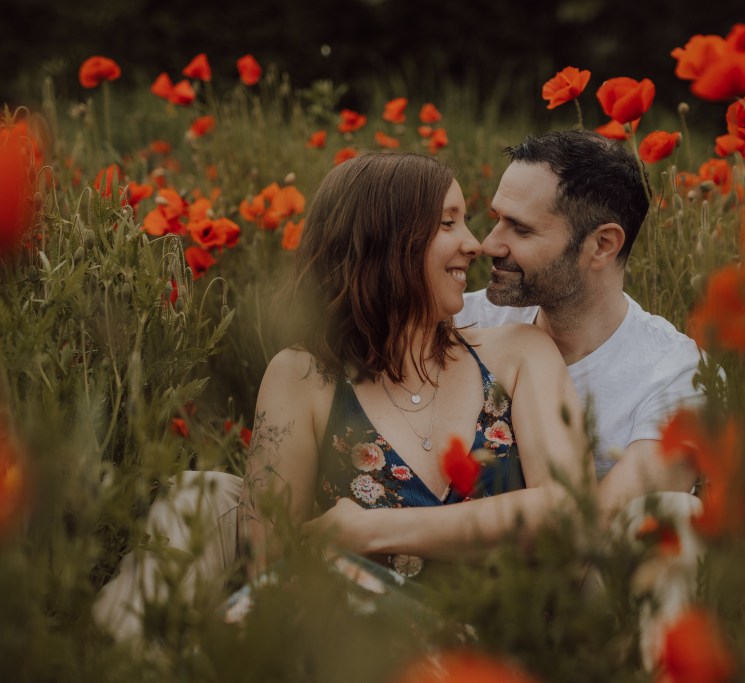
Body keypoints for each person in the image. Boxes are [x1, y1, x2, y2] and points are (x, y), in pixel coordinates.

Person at [241, 151, 596, 576]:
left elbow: (571, 511)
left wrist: (371, 530)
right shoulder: (303, 376)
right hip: (368, 629)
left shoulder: (519, 353)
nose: (474, 243)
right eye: (448, 223)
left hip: (506, 634)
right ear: (383, 238)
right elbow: (267, 561)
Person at [454, 130, 703, 526]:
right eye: (497, 219)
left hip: (573, 580)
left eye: (520, 229)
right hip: (435, 569)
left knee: (678, 516)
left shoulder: (679, 378)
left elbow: (587, 531)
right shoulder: (457, 320)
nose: (488, 244)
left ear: (603, 245)